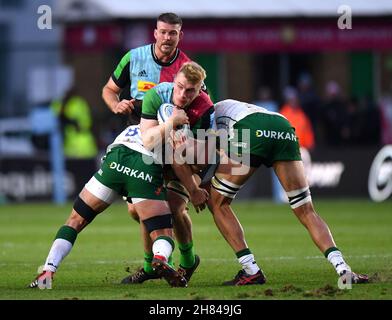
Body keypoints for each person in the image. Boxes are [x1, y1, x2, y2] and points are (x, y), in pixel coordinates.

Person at [183, 99, 369, 286]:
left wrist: (194, 189)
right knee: (306, 210)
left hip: (251, 128)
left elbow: (207, 162)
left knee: (218, 203)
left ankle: (251, 270)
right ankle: (344, 270)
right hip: (282, 125)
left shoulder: (204, 119)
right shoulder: (224, 107)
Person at [102, 13, 208, 284]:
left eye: (173, 33)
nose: (167, 37)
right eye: (163, 31)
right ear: (155, 33)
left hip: (175, 147)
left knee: (174, 206)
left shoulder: (188, 69)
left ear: (179, 36)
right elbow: (109, 90)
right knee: (138, 210)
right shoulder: (133, 57)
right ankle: (154, 265)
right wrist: (116, 105)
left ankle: (185, 260)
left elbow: (202, 105)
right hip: (142, 146)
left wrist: (193, 142)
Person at [28, 124, 189, 289]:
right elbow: (177, 166)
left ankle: (47, 272)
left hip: (115, 161)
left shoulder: (137, 125)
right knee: (162, 233)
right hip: (144, 166)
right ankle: (161, 258)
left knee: (74, 221)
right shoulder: (171, 129)